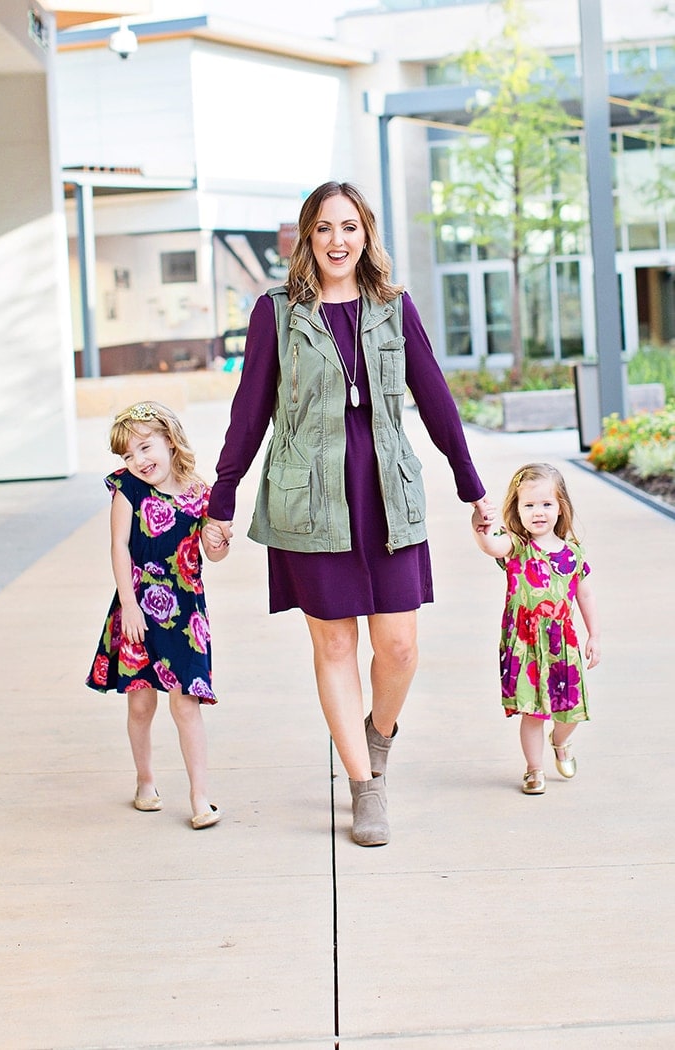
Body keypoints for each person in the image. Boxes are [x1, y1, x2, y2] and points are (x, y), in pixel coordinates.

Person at [206, 180, 492, 846]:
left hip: (386, 492)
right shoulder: (276, 312)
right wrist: (222, 498)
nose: (338, 240)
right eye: (325, 228)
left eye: (351, 227)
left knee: (399, 646)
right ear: (308, 237)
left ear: (367, 235)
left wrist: (471, 487)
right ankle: (366, 788)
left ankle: (378, 736)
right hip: (309, 499)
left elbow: (436, 399)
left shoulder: (394, 307)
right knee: (334, 643)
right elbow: (249, 412)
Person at [86, 401, 229, 829]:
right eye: (129, 455)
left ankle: (200, 797)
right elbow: (119, 546)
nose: (139, 461)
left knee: (186, 705)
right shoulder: (127, 488)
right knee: (141, 704)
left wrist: (219, 539)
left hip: (186, 613)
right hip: (138, 609)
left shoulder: (199, 493)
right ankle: (145, 780)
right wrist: (128, 605)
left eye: (145, 448)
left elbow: (213, 555)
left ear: (169, 438)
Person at [471, 461, 600, 795]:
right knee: (533, 711)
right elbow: (492, 547)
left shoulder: (572, 553)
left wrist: (595, 635)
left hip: (562, 644)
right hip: (526, 644)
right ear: (517, 509)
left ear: (560, 508)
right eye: (528, 505)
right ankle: (534, 769)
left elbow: (584, 593)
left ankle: (560, 743)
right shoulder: (517, 546)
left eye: (546, 504)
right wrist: (481, 529)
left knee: (568, 714)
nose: (538, 512)